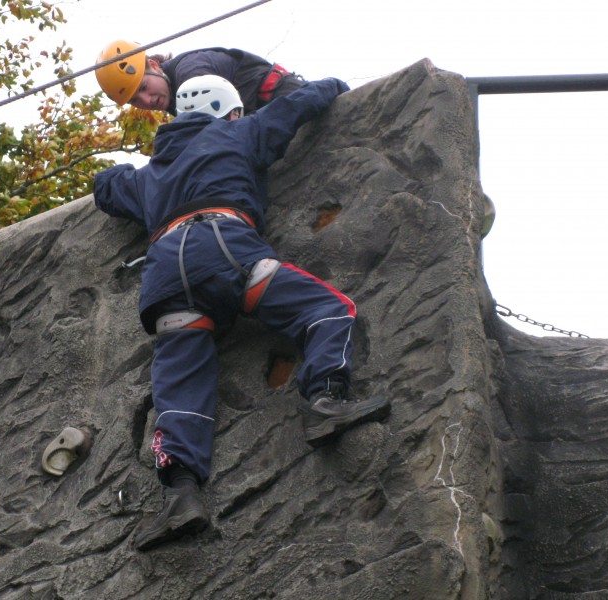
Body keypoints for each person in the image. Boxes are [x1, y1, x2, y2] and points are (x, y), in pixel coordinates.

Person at [93, 74, 391, 551]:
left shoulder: (149, 176)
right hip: (224, 247)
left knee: (179, 386)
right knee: (327, 310)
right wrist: (334, 82)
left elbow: (105, 188)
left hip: (167, 271)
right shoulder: (239, 132)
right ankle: (325, 402)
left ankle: (180, 494)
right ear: (231, 111)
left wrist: (131, 173)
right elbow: (299, 105)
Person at [94, 39, 305, 115]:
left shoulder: (190, 75)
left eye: (143, 87)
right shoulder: (172, 96)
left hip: (283, 98)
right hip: (263, 111)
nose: (147, 100)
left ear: (154, 66)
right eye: (135, 101)